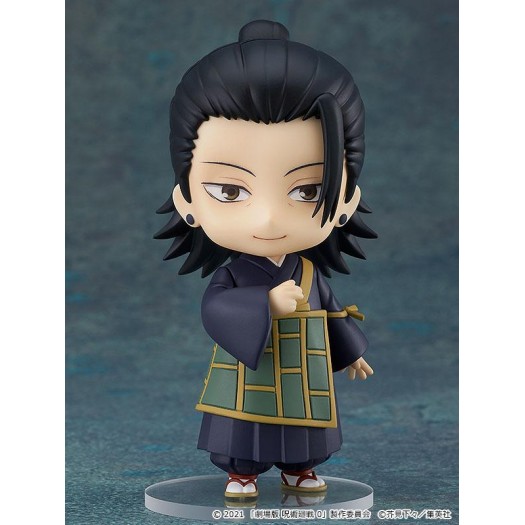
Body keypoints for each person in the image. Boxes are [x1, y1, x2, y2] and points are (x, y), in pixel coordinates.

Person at [155, 19, 377, 500]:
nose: (269, 216)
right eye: (229, 191)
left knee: (305, 426)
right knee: (244, 426)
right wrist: (264, 305)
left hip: (303, 370)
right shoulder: (234, 275)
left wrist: (352, 350)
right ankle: (242, 472)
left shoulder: (309, 273)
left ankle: (299, 469)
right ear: (186, 200)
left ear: (346, 200)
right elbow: (215, 308)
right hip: (250, 371)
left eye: (308, 190)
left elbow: (331, 313)